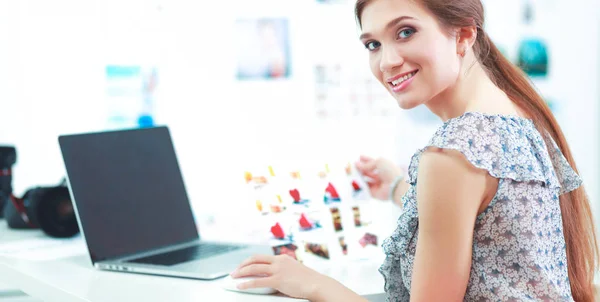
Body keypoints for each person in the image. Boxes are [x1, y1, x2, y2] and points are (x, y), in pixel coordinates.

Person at [230, 0, 599, 301]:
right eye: (372, 44)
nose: (387, 61)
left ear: (463, 35)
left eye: (405, 32)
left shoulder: (452, 153)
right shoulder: (517, 114)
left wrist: (310, 283)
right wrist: (397, 188)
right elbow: (487, 221)